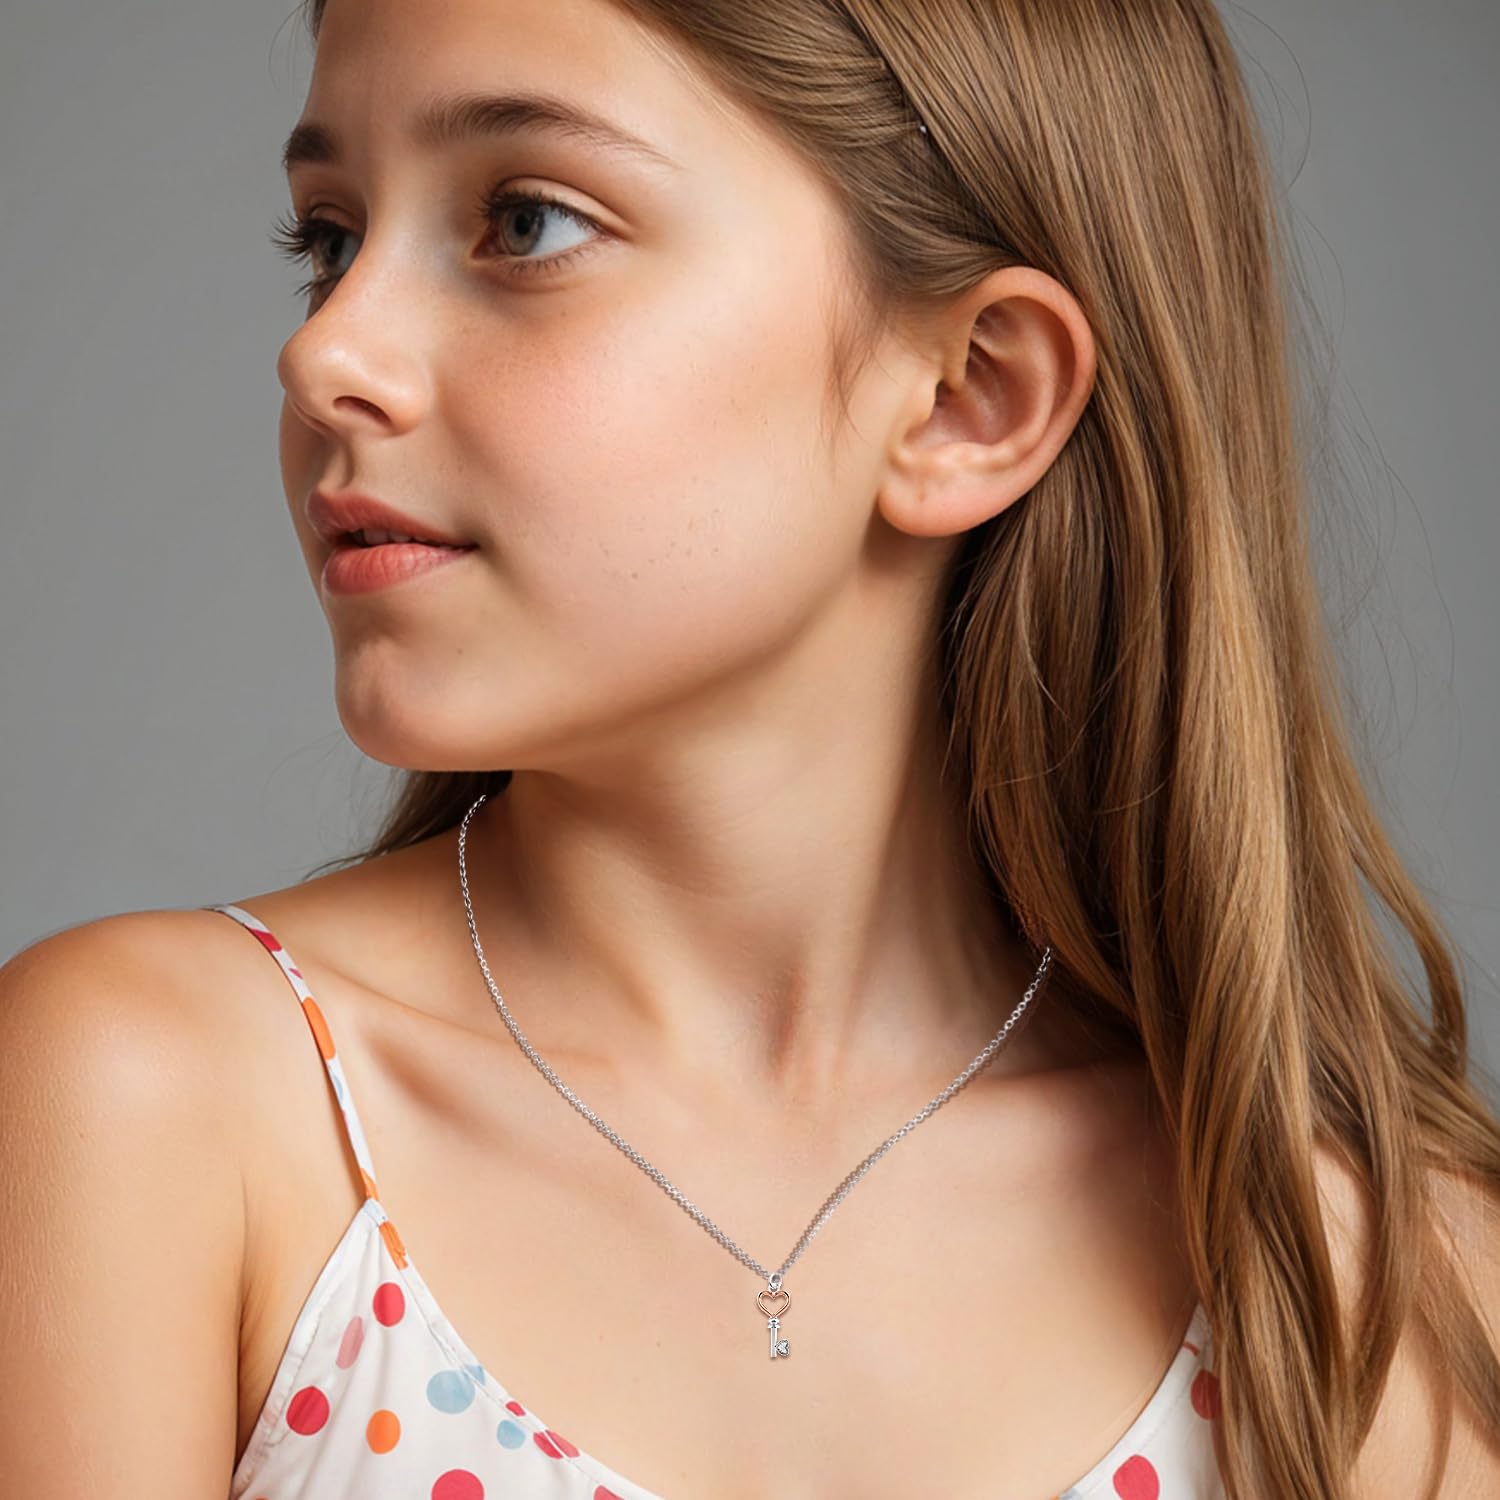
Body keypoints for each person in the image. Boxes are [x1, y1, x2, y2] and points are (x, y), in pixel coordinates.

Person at [3, 0, 1498, 1495]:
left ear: (969, 396)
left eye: (525, 222)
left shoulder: (1369, 1277)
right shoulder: (156, 1107)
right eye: (329, 240)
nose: (325, 349)